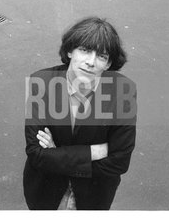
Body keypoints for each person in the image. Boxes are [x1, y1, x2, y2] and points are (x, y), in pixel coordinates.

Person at [23, 16, 137, 210]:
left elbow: (119, 162)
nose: (91, 62)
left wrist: (56, 154)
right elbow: (36, 154)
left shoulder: (123, 90)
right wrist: (96, 151)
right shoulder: (41, 83)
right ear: (69, 51)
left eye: (102, 56)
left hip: (92, 197)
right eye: (85, 50)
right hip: (45, 192)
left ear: (108, 64)